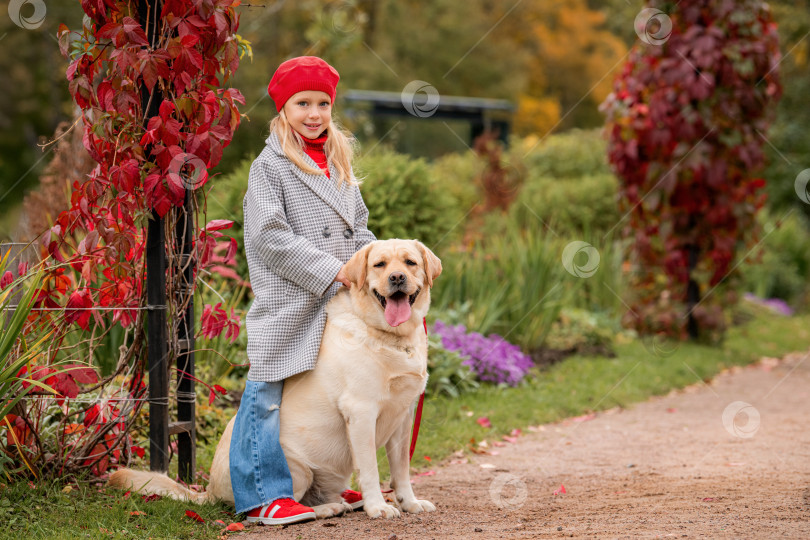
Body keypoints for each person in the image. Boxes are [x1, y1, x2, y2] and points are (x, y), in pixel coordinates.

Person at [229, 56, 376, 525]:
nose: (314, 114)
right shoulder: (269, 167)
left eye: (323, 104)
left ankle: (323, 486)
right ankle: (262, 495)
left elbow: (359, 227)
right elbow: (269, 237)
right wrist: (335, 269)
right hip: (289, 298)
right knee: (267, 390)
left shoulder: (338, 161)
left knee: (323, 388)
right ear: (283, 109)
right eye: (302, 104)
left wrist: (373, 265)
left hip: (337, 299)